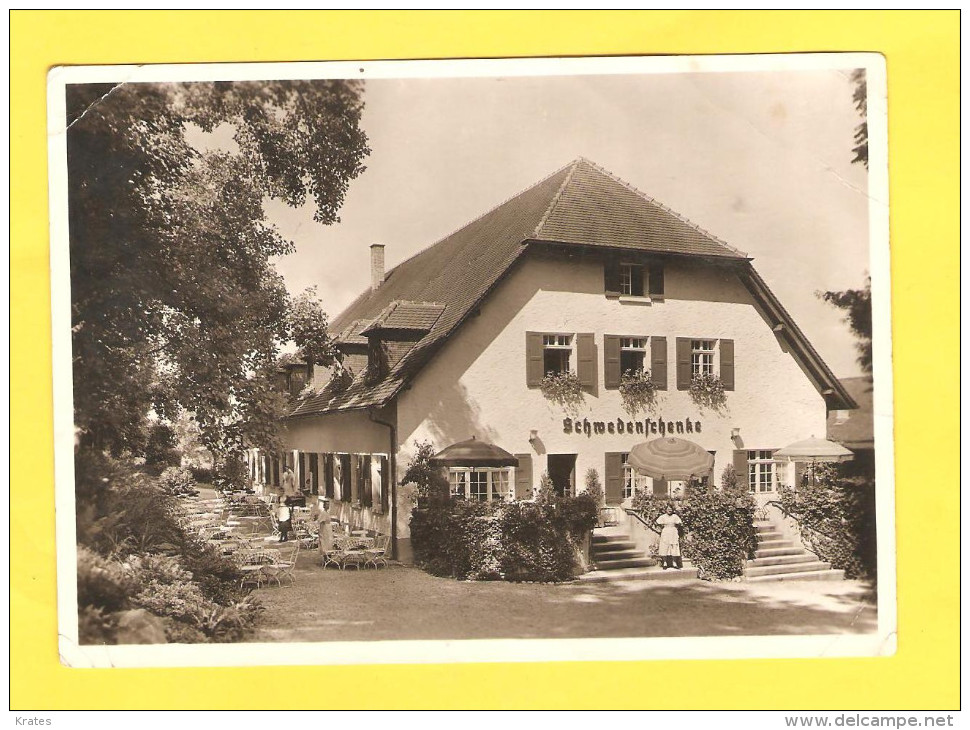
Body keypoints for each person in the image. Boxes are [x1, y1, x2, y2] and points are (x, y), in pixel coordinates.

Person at [656, 504, 683, 569]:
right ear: (666, 510)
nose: (669, 510)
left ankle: (674, 563)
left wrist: (676, 527)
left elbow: (679, 523)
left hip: (673, 532)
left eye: (671, 509)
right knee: (665, 546)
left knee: (674, 546)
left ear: (672, 510)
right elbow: (658, 523)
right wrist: (661, 528)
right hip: (665, 532)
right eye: (668, 509)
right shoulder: (663, 517)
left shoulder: (675, 516)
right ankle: (665, 563)